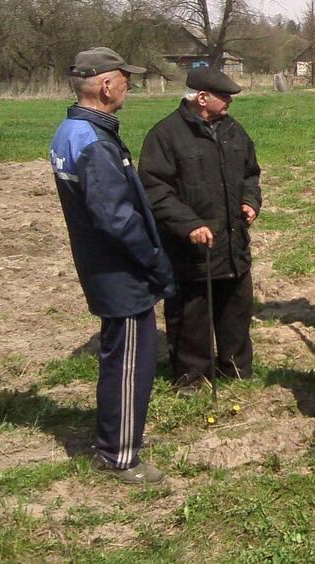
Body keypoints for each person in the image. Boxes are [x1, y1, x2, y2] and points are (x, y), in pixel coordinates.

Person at [49, 48, 174, 484]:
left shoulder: (70, 131)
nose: (129, 86)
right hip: (119, 272)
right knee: (128, 362)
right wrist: (154, 260)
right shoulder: (94, 142)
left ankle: (121, 436)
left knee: (122, 355)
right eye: (125, 79)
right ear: (105, 85)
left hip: (104, 266)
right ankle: (120, 454)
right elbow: (115, 218)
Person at [138, 68, 262, 388]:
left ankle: (235, 369)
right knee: (192, 315)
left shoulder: (233, 130)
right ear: (202, 98)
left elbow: (251, 173)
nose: (229, 102)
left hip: (234, 244)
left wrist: (250, 200)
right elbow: (154, 190)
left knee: (236, 310)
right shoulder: (166, 136)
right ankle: (192, 377)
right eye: (224, 97)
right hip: (192, 249)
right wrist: (188, 224)